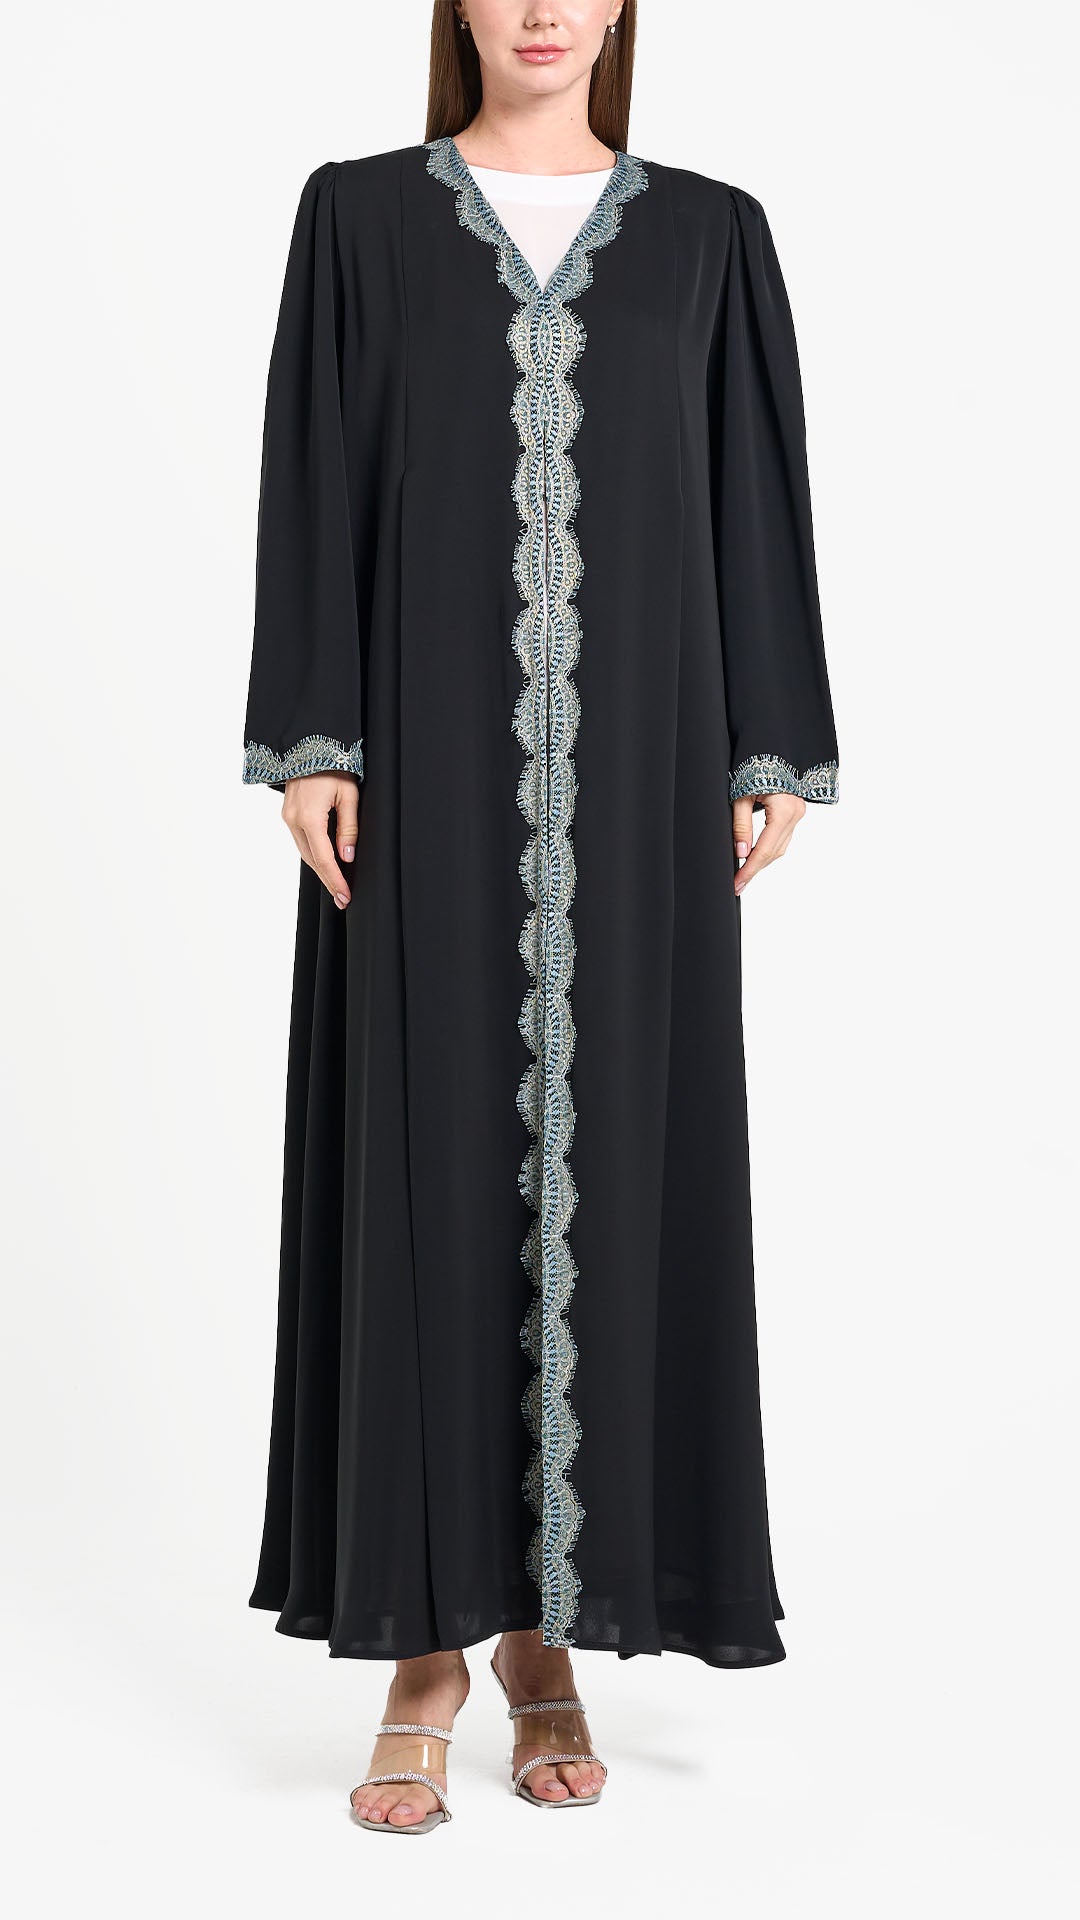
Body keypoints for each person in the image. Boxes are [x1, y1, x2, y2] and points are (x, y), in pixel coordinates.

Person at [241, 0, 839, 1834]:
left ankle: (549, 1636)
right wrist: (313, 732)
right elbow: (313, 471)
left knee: (627, 1169)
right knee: (420, 1171)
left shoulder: (712, 233)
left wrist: (769, 734)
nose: (543, 6)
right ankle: (427, 1650)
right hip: (417, 765)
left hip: (647, 769)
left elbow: (753, 489)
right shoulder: (357, 217)